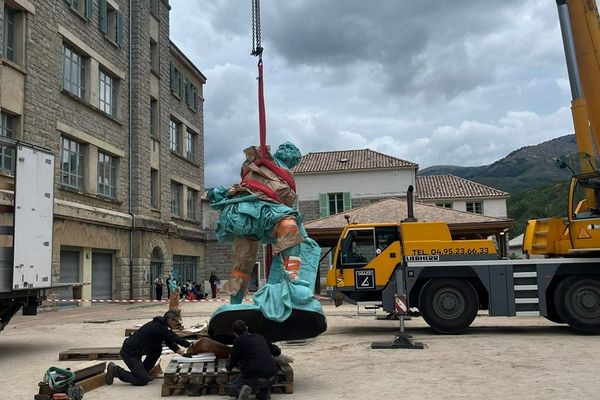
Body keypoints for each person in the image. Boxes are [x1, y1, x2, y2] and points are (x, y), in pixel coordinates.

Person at [105, 311, 190, 386]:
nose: (178, 324)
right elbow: (175, 337)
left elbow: (170, 343)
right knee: (142, 380)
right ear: (170, 320)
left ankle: (144, 372)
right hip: (130, 353)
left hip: (138, 351)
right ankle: (116, 370)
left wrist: (184, 354)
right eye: (177, 321)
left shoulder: (161, 326)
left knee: (157, 349)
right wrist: (189, 345)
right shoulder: (159, 327)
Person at [225, 320, 281, 400]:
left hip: (255, 377)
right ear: (247, 328)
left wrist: (228, 363)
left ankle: (241, 389)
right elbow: (276, 351)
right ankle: (264, 392)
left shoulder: (238, 342)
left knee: (230, 386)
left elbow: (230, 365)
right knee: (259, 378)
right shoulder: (260, 336)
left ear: (234, 333)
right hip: (273, 376)